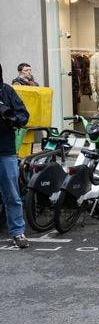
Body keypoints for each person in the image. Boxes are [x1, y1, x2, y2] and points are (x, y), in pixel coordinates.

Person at [0, 62, 30, 248]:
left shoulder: (6, 91)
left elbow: (23, 115)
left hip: (5, 151)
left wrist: (11, 119)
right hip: (6, 151)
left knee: (12, 194)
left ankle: (18, 232)